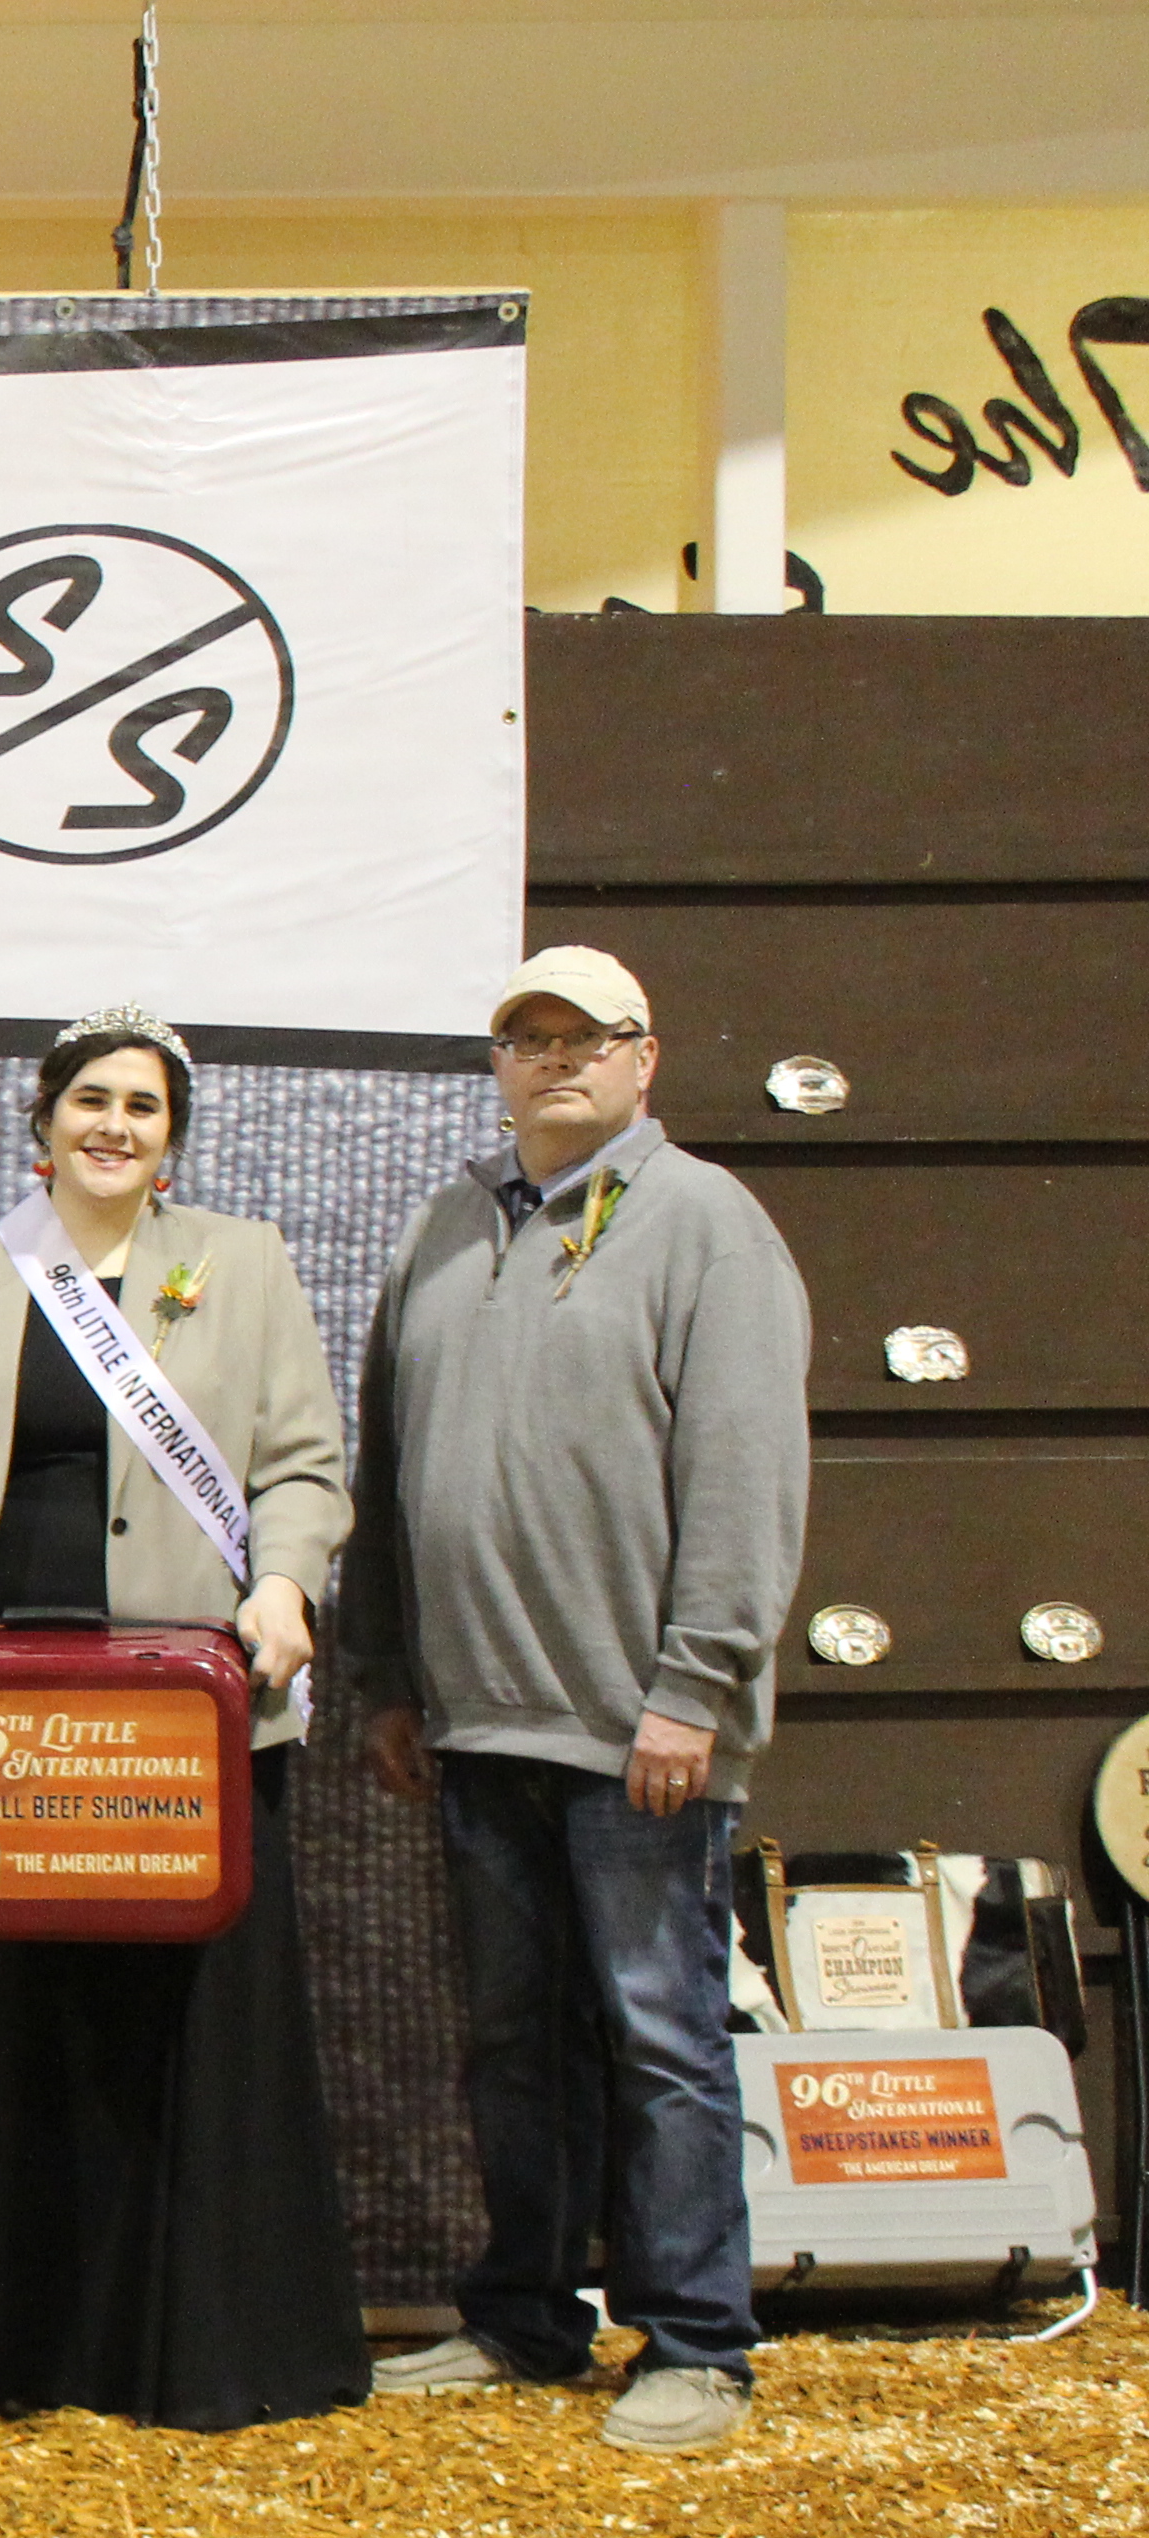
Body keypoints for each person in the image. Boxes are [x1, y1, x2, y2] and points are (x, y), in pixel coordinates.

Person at [0, 1010, 361, 2433]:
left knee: (178, 2026)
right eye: (92, 1100)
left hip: (188, 1704)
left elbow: (307, 1467)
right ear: (44, 1123)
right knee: (3, 2028)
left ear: (172, 1138)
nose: (115, 1125)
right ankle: (0, 2355)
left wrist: (285, 1587)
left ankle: (190, 2352)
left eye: (143, 1107)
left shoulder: (240, 1265)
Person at [342, 949, 811, 2457]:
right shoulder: (451, 1220)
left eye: (584, 1038)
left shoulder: (706, 1228)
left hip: (640, 1731)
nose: (553, 1062)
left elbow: (745, 1481)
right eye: (524, 1039)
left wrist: (695, 1688)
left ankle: (697, 2342)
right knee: (508, 2040)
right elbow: (388, 1461)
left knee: (664, 2035)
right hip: (477, 1722)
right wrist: (392, 1673)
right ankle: (525, 2316)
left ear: (643, 1057)